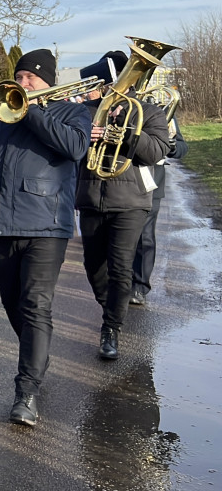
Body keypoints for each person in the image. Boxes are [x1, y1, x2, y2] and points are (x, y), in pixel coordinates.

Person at [0, 49, 91, 426]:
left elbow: (75, 148)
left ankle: (26, 391)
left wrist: (30, 111)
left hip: (47, 222)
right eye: (19, 77)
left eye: (31, 79)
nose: (22, 84)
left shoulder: (72, 113)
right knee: (12, 302)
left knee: (35, 305)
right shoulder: (2, 116)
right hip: (4, 222)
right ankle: (37, 357)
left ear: (48, 83)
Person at [75, 52, 170, 360]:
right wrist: (83, 138)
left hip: (131, 201)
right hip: (90, 196)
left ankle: (111, 327)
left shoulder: (149, 112)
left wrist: (125, 133)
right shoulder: (86, 111)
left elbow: (156, 151)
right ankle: (111, 307)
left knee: (119, 266)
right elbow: (67, 146)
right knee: (94, 267)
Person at [131, 105, 187, 305]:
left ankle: (139, 286)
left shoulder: (161, 109)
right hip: (116, 177)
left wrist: (169, 145)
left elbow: (181, 147)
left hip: (150, 179)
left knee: (144, 236)